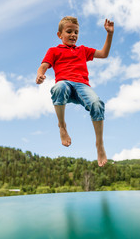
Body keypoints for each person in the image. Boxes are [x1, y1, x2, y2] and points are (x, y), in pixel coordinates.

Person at [36, 16, 114, 167]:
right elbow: (44, 66)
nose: (73, 35)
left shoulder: (83, 50)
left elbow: (104, 54)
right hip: (64, 85)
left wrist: (109, 33)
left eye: (76, 32)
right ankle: (62, 126)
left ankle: (99, 144)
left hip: (82, 86)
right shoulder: (54, 51)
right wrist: (40, 74)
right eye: (69, 31)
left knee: (97, 104)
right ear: (60, 35)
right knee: (58, 87)